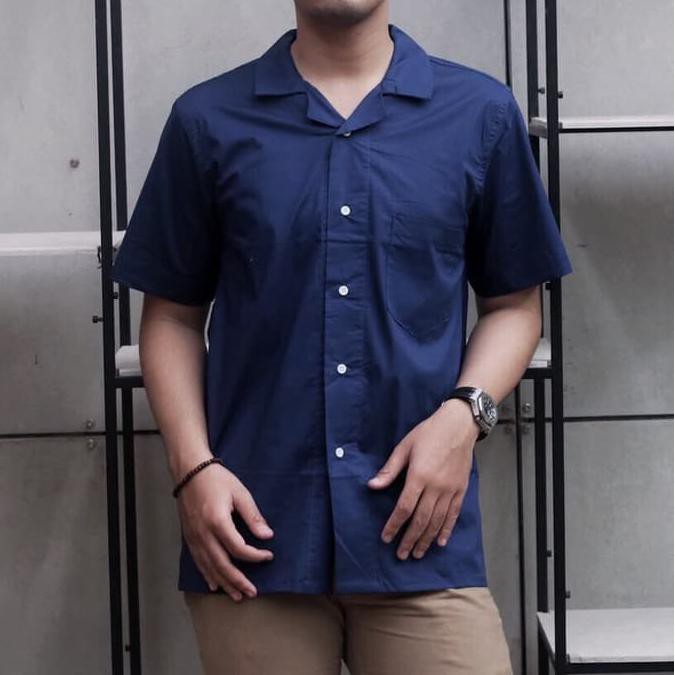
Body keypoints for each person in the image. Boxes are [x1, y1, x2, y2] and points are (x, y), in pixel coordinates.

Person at [109, 1, 573, 673]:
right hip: (253, 540)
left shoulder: (480, 113)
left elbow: (515, 306)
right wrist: (192, 471)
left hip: (421, 537)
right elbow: (171, 316)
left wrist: (464, 416)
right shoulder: (206, 120)